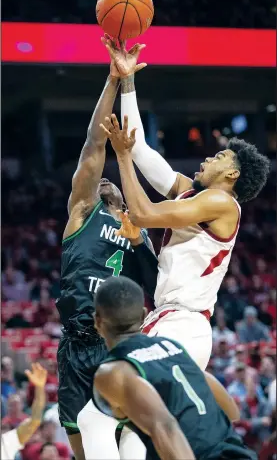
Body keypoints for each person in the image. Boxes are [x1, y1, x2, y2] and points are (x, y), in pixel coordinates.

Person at [101, 36, 270, 372]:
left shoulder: (222, 203)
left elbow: (145, 213)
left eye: (219, 156)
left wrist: (119, 157)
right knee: (109, 413)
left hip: (184, 325)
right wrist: (127, 79)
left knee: (122, 397)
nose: (209, 157)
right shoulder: (191, 193)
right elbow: (139, 148)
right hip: (165, 317)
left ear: (232, 173)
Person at [56, 69, 158, 460]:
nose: (104, 181)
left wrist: (138, 240)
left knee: (127, 442)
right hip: (75, 342)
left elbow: (155, 283)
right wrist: (115, 79)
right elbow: (93, 144)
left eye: (109, 182)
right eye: (100, 181)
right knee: (85, 449)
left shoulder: (140, 230)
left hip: (116, 342)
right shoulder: (82, 212)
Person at [78, 276, 257, 460]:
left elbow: (165, 427)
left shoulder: (112, 372)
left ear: (97, 321)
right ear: (143, 315)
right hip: (236, 451)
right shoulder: (170, 346)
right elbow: (224, 402)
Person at [1, 363, 47, 460]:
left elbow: (35, 419)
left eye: (16, 404)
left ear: (22, 405)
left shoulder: (13, 435)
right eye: (12, 405)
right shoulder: (5, 422)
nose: (14, 407)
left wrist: (39, 388)